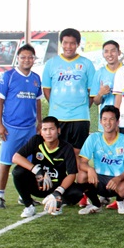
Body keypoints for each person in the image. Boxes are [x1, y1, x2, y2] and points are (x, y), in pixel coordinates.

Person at [0, 44, 42, 209]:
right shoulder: (8, 76)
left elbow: (38, 101)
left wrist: (40, 122)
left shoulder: (36, 78)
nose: (27, 60)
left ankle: (24, 196)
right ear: (18, 59)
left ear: (34, 59)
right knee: (5, 162)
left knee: (28, 165)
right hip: (11, 128)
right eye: (23, 57)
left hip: (30, 128)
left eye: (30, 57)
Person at [12, 116, 83, 218]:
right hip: (39, 184)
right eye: (45, 129)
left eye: (51, 129)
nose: (48, 133)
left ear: (58, 130)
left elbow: (72, 174)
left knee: (77, 192)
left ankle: (58, 201)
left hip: (56, 185)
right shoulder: (36, 141)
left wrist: (59, 191)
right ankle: (29, 206)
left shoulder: (66, 147)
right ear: (41, 131)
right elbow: (16, 157)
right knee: (18, 171)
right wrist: (37, 170)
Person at [41, 28, 95, 159]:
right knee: (58, 155)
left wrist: (82, 107)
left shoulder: (87, 64)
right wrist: (56, 104)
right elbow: (47, 89)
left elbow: (92, 92)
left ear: (78, 44)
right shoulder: (51, 63)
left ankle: (78, 174)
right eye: (65, 43)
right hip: (58, 117)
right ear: (61, 43)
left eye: (72, 43)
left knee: (79, 155)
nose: (68, 47)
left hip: (80, 118)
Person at [75, 105, 124, 215]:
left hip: (118, 180)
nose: (108, 122)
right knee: (82, 175)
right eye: (104, 119)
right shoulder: (93, 138)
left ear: (117, 122)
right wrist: (90, 169)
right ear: (100, 122)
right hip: (99, 180)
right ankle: (96, 204)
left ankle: (120, 201)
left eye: (111, 119)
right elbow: (82, 163)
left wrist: (118, 178)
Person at [91, 40, 123, 131]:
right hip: (107, 122)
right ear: (103, 54)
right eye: (106, 51)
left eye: (113, 51)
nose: (110, 54)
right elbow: (96, 102)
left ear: (119, 52)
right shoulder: (99, 73)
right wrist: (100, 93)